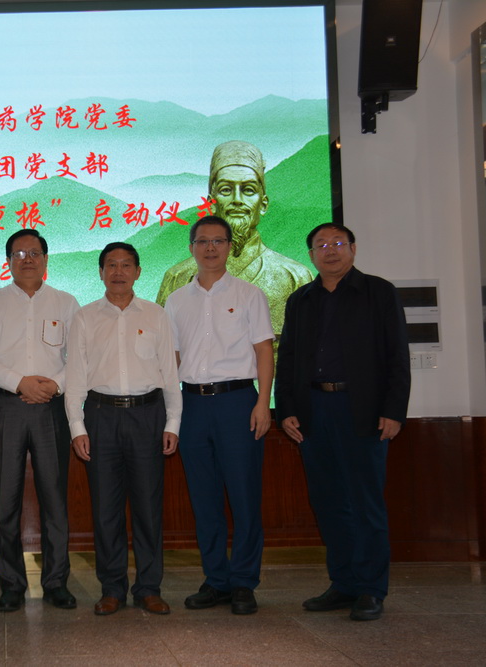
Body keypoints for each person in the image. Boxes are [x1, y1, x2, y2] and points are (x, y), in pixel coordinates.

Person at [275, 223, 410, 622]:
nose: (330, 250)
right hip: (314, 411)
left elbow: (397, 355)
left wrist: (394, 411)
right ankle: (344, 583)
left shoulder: (378, 292)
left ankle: (370, 588)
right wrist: (286, 408)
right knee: (329, 501)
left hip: (362, 409)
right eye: (321, 245)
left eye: (338, 243)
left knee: (365, 502)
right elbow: (288, 359)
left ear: (353, 248)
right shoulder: (301, 299)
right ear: (311, 255)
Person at [165, 216, 274, 615]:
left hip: (237, 402)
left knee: (244, 496)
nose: (210, 248)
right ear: (191, 248)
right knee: (204, 497)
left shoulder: (250, 294)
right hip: (192, 404)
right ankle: (216, 579)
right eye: (202, 241)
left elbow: (264, 350)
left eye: (218, 241)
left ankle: (243, 581)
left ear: (230, 246)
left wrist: (263, 403)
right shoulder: (176, 300)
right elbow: (173, 359)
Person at [65, 242, 182, 616]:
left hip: (148, 416)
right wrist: (77, 427)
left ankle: (149, 587)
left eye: (126, 265)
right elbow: (75, 376)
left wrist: (173, 422)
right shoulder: (84, 317)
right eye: (111, 265)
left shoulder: (156, 314)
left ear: (138, 271)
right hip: (101, 417)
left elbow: (170, 374)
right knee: (106, 509)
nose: (118, 271)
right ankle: (112, 588)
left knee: (148, 507)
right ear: (101, 272)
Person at [0, 229, 80, 613]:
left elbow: (80, 356)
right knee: (6, 499)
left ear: (46, 260)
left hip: (52, 407)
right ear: (8, 262)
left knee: (55, 498)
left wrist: (54, 385)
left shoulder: (66, 302)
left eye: (34, 253)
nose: (27, 259)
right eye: (19, 253)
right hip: (7, 406)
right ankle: (12, 584)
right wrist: (20, 383)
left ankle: (56, 582)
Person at [156, 140, 313, 336]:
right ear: (211, 203)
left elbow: (309, 346)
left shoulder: (295, 277)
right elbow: (162, 346)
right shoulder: (178, 277)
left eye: (248, 190)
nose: (237, 200)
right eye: (226, 190)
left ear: (263, 203)